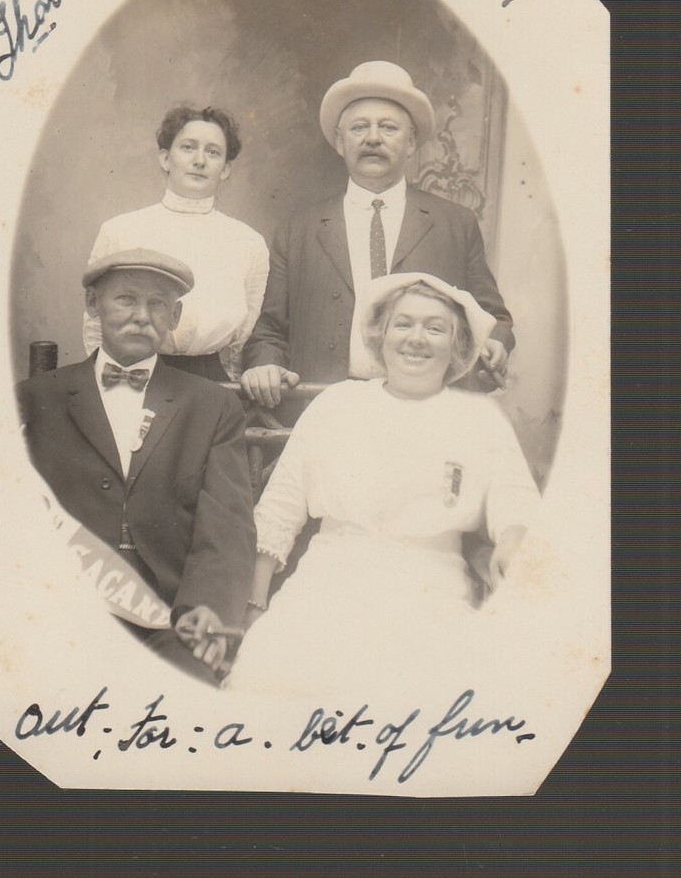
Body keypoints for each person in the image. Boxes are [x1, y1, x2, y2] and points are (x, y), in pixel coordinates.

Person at [229, 273, 539, 698]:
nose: (417, 339)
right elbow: (280, 509)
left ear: (457, 344)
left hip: (431, 589)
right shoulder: (338, 404)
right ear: (381, 334)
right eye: (403, 324)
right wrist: (255, 607)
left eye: (435, 328)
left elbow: (516, 499)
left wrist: (515, 536)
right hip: (326, 586)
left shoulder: (479, 418)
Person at [18, 248, 257, 685]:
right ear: (94, 305)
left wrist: (207, 608)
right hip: (62, 610)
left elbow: (227, 527)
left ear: (175, 315)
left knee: (181, 704)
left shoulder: (212, 406)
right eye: (125, 299)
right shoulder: (36, 398)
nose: (141, 316)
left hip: (169, 618)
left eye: (157, 304)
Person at [241, 60, 514, 409]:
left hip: (425, 410)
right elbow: (269, 331)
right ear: (339, 143)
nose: (372, 138)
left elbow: (495, 319)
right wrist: (266, 362)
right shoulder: (300, 229)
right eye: (359, 128)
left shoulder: (454, 224)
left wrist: (497, 342)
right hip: (324, 407)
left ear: (412, 142)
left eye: (388, 127)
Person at [84, 105, 269, 382]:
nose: (199, 160)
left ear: (226, 169)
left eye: (213, 152)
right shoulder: (121, 230)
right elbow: (96, 324)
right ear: (165, 159)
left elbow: (241, 339)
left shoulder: (249, 242)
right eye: (188, 147)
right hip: (134, 374)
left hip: (211, 382)